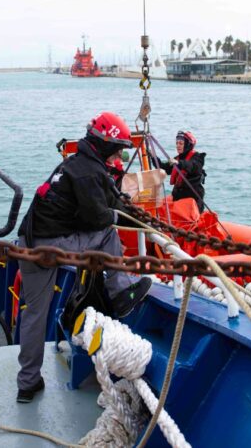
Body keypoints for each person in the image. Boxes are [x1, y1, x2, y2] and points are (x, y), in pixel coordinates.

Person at [14, 111, 153, 403]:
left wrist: (122, 207)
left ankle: (27, 383)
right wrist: (134, 221)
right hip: (55, 244)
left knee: (34, 315)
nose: (118, 157)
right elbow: (99, 217)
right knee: (108, 234)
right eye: (116, 151)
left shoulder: (75, 164)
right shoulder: (90, 171)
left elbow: (104, 195)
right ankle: (120, 294)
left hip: (30, 243)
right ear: (105, 145)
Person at [153, 131, 206, 211]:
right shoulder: (177, 159)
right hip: (178, 198)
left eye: (181, 143)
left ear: (188, 145)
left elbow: (192, 166)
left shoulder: (197, 157)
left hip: (192, 199)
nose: (178, 146)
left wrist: (179, 163)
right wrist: (153, 157)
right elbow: (164, 168)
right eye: (177, 143)